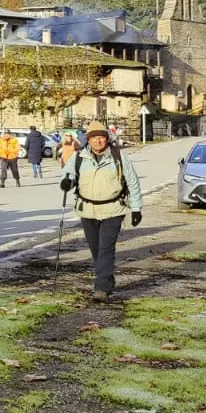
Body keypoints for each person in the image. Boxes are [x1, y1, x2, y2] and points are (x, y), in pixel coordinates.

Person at [59, 121, 143, 302]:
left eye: (101, 137)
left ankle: (101, 288)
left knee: (106, 248)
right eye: (94, 138)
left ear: (107, 139)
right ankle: (107, 279)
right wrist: (67, 182)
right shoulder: (79, 157)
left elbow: (133, 182)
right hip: (87, 210)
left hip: (113, 209)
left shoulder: (118, 157)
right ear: (88, 140)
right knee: (96, 250)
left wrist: (136, 208)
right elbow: (68, 175)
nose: (98, 141)